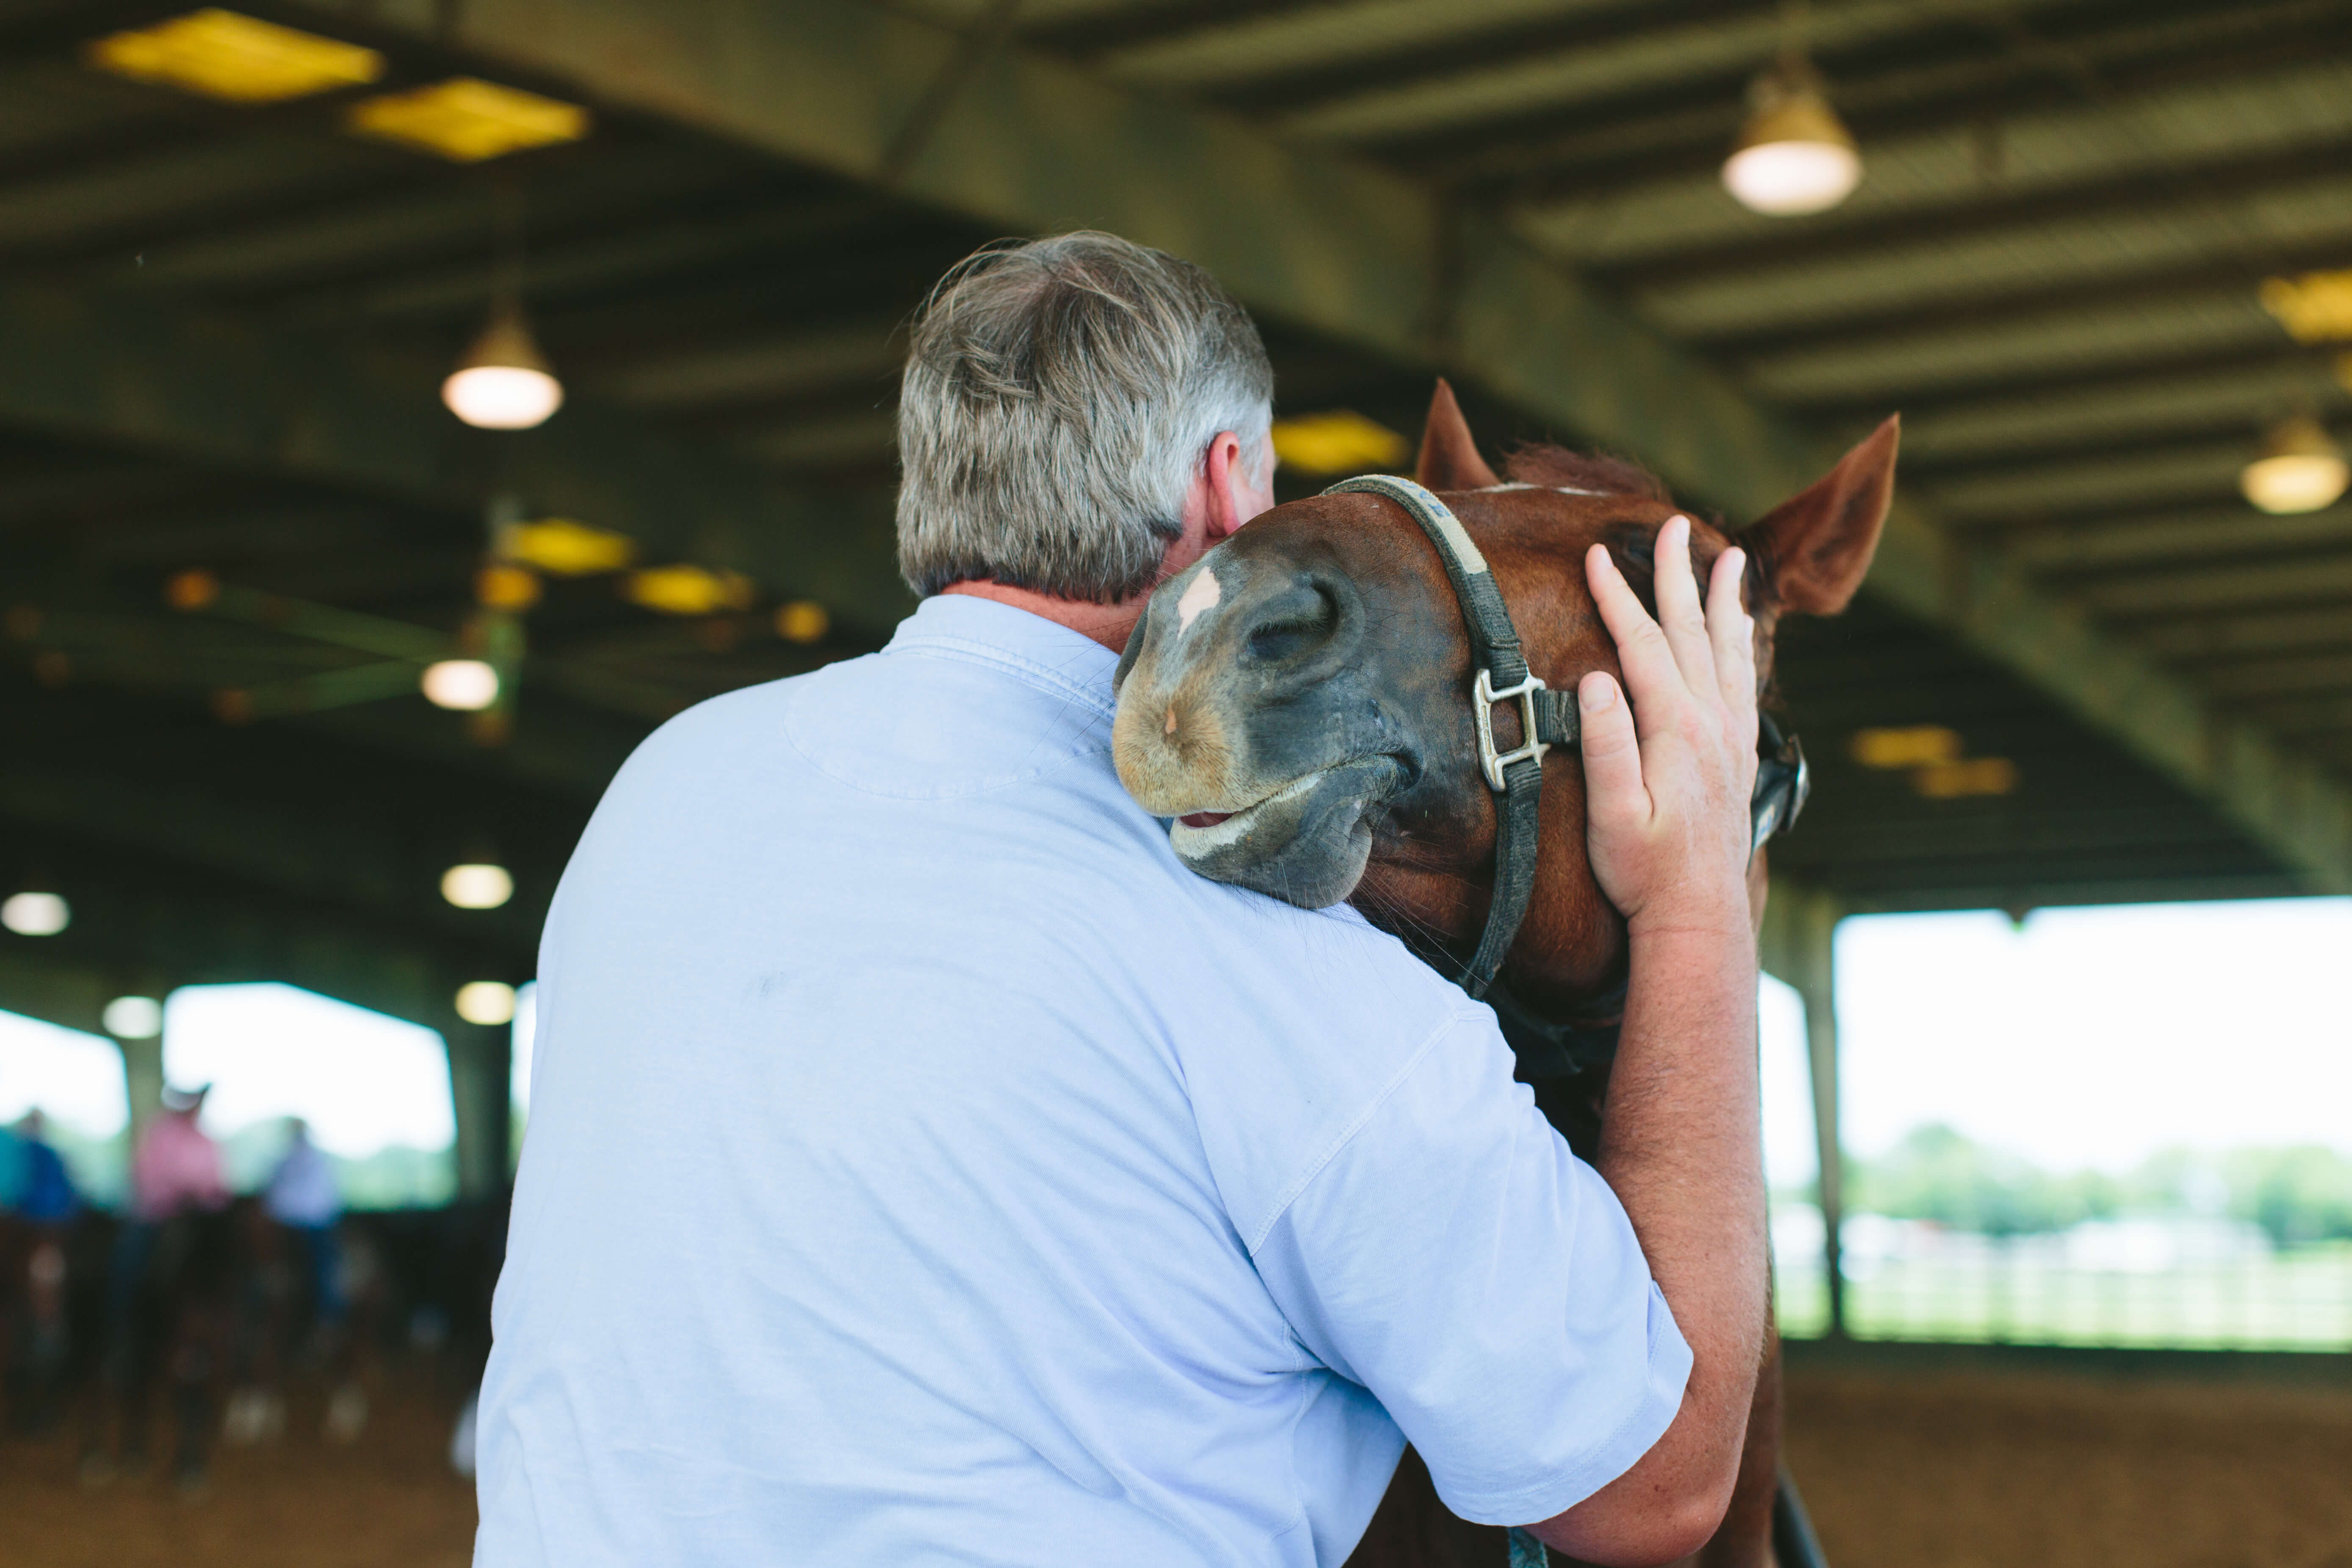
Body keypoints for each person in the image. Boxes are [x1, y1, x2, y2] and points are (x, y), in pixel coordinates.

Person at [475, 232, 1763, 1566]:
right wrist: (1694, 904)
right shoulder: (1276, 945)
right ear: (1226, 483)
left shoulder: (669, 780)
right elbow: (1650, 1487)